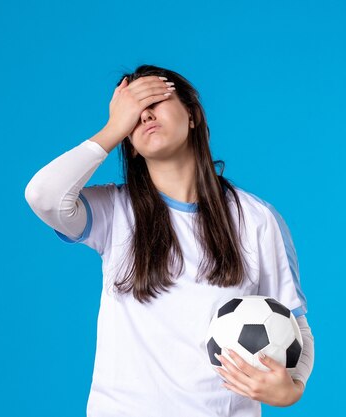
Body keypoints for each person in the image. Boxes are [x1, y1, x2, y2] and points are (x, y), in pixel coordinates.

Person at [24, 64, 314, 417]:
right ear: (127, 143)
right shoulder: (114, 212)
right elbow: (43, 195)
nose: (144, 115)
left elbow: (294, 325)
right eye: (133, 113)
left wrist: (291, 389)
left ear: (192, 115)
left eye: (154, 100)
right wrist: (113, 128)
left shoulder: (256, 219)